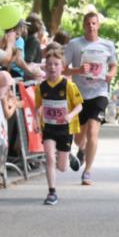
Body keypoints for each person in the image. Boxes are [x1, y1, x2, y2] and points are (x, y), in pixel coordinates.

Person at [63, 11, 118, 185]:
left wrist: (110, 74)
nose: (91, 26)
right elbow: (63, 69)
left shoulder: (108, 45)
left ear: (98, 25)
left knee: (93, 131)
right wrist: (78, 71)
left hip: (99, 93)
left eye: (94, 23)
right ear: (83, 25)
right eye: (88, 23)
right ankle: (83, 149)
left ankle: (87, 171)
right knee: (79, 139)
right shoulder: (74, 44)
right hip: (79, 95)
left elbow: (114, 65)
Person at [33, 44, 83, 206]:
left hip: (65, 128)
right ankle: (52, 192)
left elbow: (79, 105)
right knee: (49, 157)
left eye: (56, 64)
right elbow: (37, 106)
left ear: (62, 67)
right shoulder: (41, 87)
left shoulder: (68, 85)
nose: (52, 67)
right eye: (49, 64)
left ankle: (68, 155)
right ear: (45, 67)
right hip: (49, 127)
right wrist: (35, 120)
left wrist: (69, 115)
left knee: (62, 167)